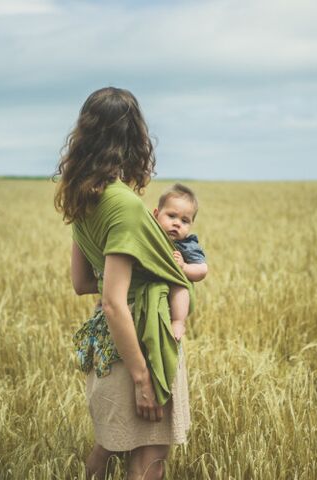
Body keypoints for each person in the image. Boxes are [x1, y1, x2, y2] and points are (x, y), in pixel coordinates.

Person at [54, 87, 194, 480]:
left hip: (107, 349)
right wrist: (142, 379)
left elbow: (83, 283)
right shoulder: (128, 207)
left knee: (106, 457)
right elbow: (115, 302)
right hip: (141, 347)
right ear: (134, 138)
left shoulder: (83, 198)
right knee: (148, 462)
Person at [153, 184, 208, 341]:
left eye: (185, 221)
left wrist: (184, 267)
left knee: (179, 286)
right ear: (156, 214)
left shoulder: (186, 245)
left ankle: (178, 321)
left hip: (173, 282)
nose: (177, 223)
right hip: (151, 283)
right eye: (171, 216)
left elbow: (202, 269)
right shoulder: (151, 236)